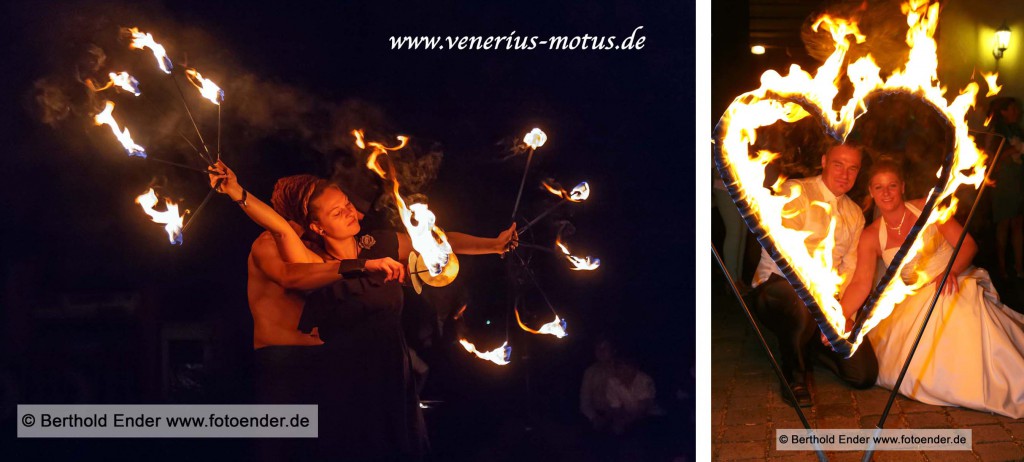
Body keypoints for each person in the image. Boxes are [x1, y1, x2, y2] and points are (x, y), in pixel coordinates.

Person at [208, 161, 516, 460]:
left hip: (392, 374)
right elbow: (287, 253)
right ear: (314, 224)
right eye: (337, 211)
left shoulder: (378, 243)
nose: (352, 212)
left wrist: (494, 245)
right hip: (335, 377)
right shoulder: (314, 260)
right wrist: (238, 192)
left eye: (346, 204)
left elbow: (440, 242)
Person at [840, 157, 1024, 418]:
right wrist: (839, 318)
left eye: (891, 185)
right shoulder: (871, 235)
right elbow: (860, 283)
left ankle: (982, 381)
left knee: (960, 308)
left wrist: (951, 271)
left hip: (954, 278)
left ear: (902, 186)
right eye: (879, 187)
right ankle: (948, 383)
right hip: (913, 299)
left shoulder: (928, 208)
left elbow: (968, 245)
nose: (886, 193)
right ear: (870, 191)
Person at [750, 143, 879, 408]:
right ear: (823, 161)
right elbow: (785, 254)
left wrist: (840, 315)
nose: (845, 175)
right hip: (778, 288)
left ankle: (808, 347)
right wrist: (822, 305)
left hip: (824, 305)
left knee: (863, 374)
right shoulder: (795, 191)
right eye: (838, 165)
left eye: (852, 168)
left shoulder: (854, 214)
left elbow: (850, 272)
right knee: (799, 301)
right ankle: (794, 377)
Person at [987, 97, 1024, 279]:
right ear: (1003, 112)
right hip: (1003, 182)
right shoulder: (997, 132)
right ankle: (1001, 269)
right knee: (1003, 224)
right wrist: (1013, 150)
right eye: (1013, 109)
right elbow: (992, 159)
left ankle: (1019, 267)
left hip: (1017, 181)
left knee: (1018, 223)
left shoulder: (1017, 130)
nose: (1017, 112)